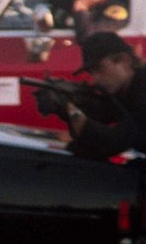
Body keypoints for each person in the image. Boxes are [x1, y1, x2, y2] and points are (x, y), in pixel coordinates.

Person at [33, 32, 146, 160]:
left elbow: (110, 143)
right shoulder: (125, 92)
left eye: (99, 69)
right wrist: (71, 106)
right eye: (91, 72)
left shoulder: (141, 92)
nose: (94, 80)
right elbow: (89, 137)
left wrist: (70, 109)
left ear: (124, 60)